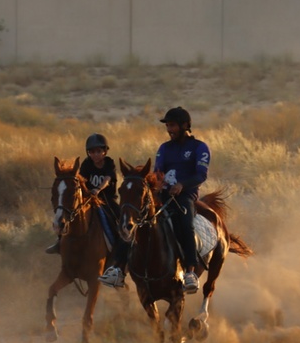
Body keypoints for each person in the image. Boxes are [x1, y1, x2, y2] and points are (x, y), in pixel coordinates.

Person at [101, 107, 210, 293]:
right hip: (163, 194)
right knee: (133, 221)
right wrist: (157, 183)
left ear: (185, 125)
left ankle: (190, 270)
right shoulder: (164, 148)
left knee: (185, 223)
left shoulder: (199, 148)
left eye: (173, 125)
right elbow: (158, 170)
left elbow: (201, 175)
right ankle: (118, 269)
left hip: (185, 196)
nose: (169, 129)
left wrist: (182, 185)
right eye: (167, 126)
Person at [47, 134, 129, 269]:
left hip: (107, 200)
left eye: (98, 151)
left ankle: (123, 246)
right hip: (90, 199)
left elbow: (107, 179)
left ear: (105, 151)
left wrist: (98, 189)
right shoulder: (86, 164)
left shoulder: (109, 163)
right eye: (92, 152)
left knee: (120, 219)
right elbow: (81, 181)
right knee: (71, 216)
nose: (95, 155)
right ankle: (60, 241)